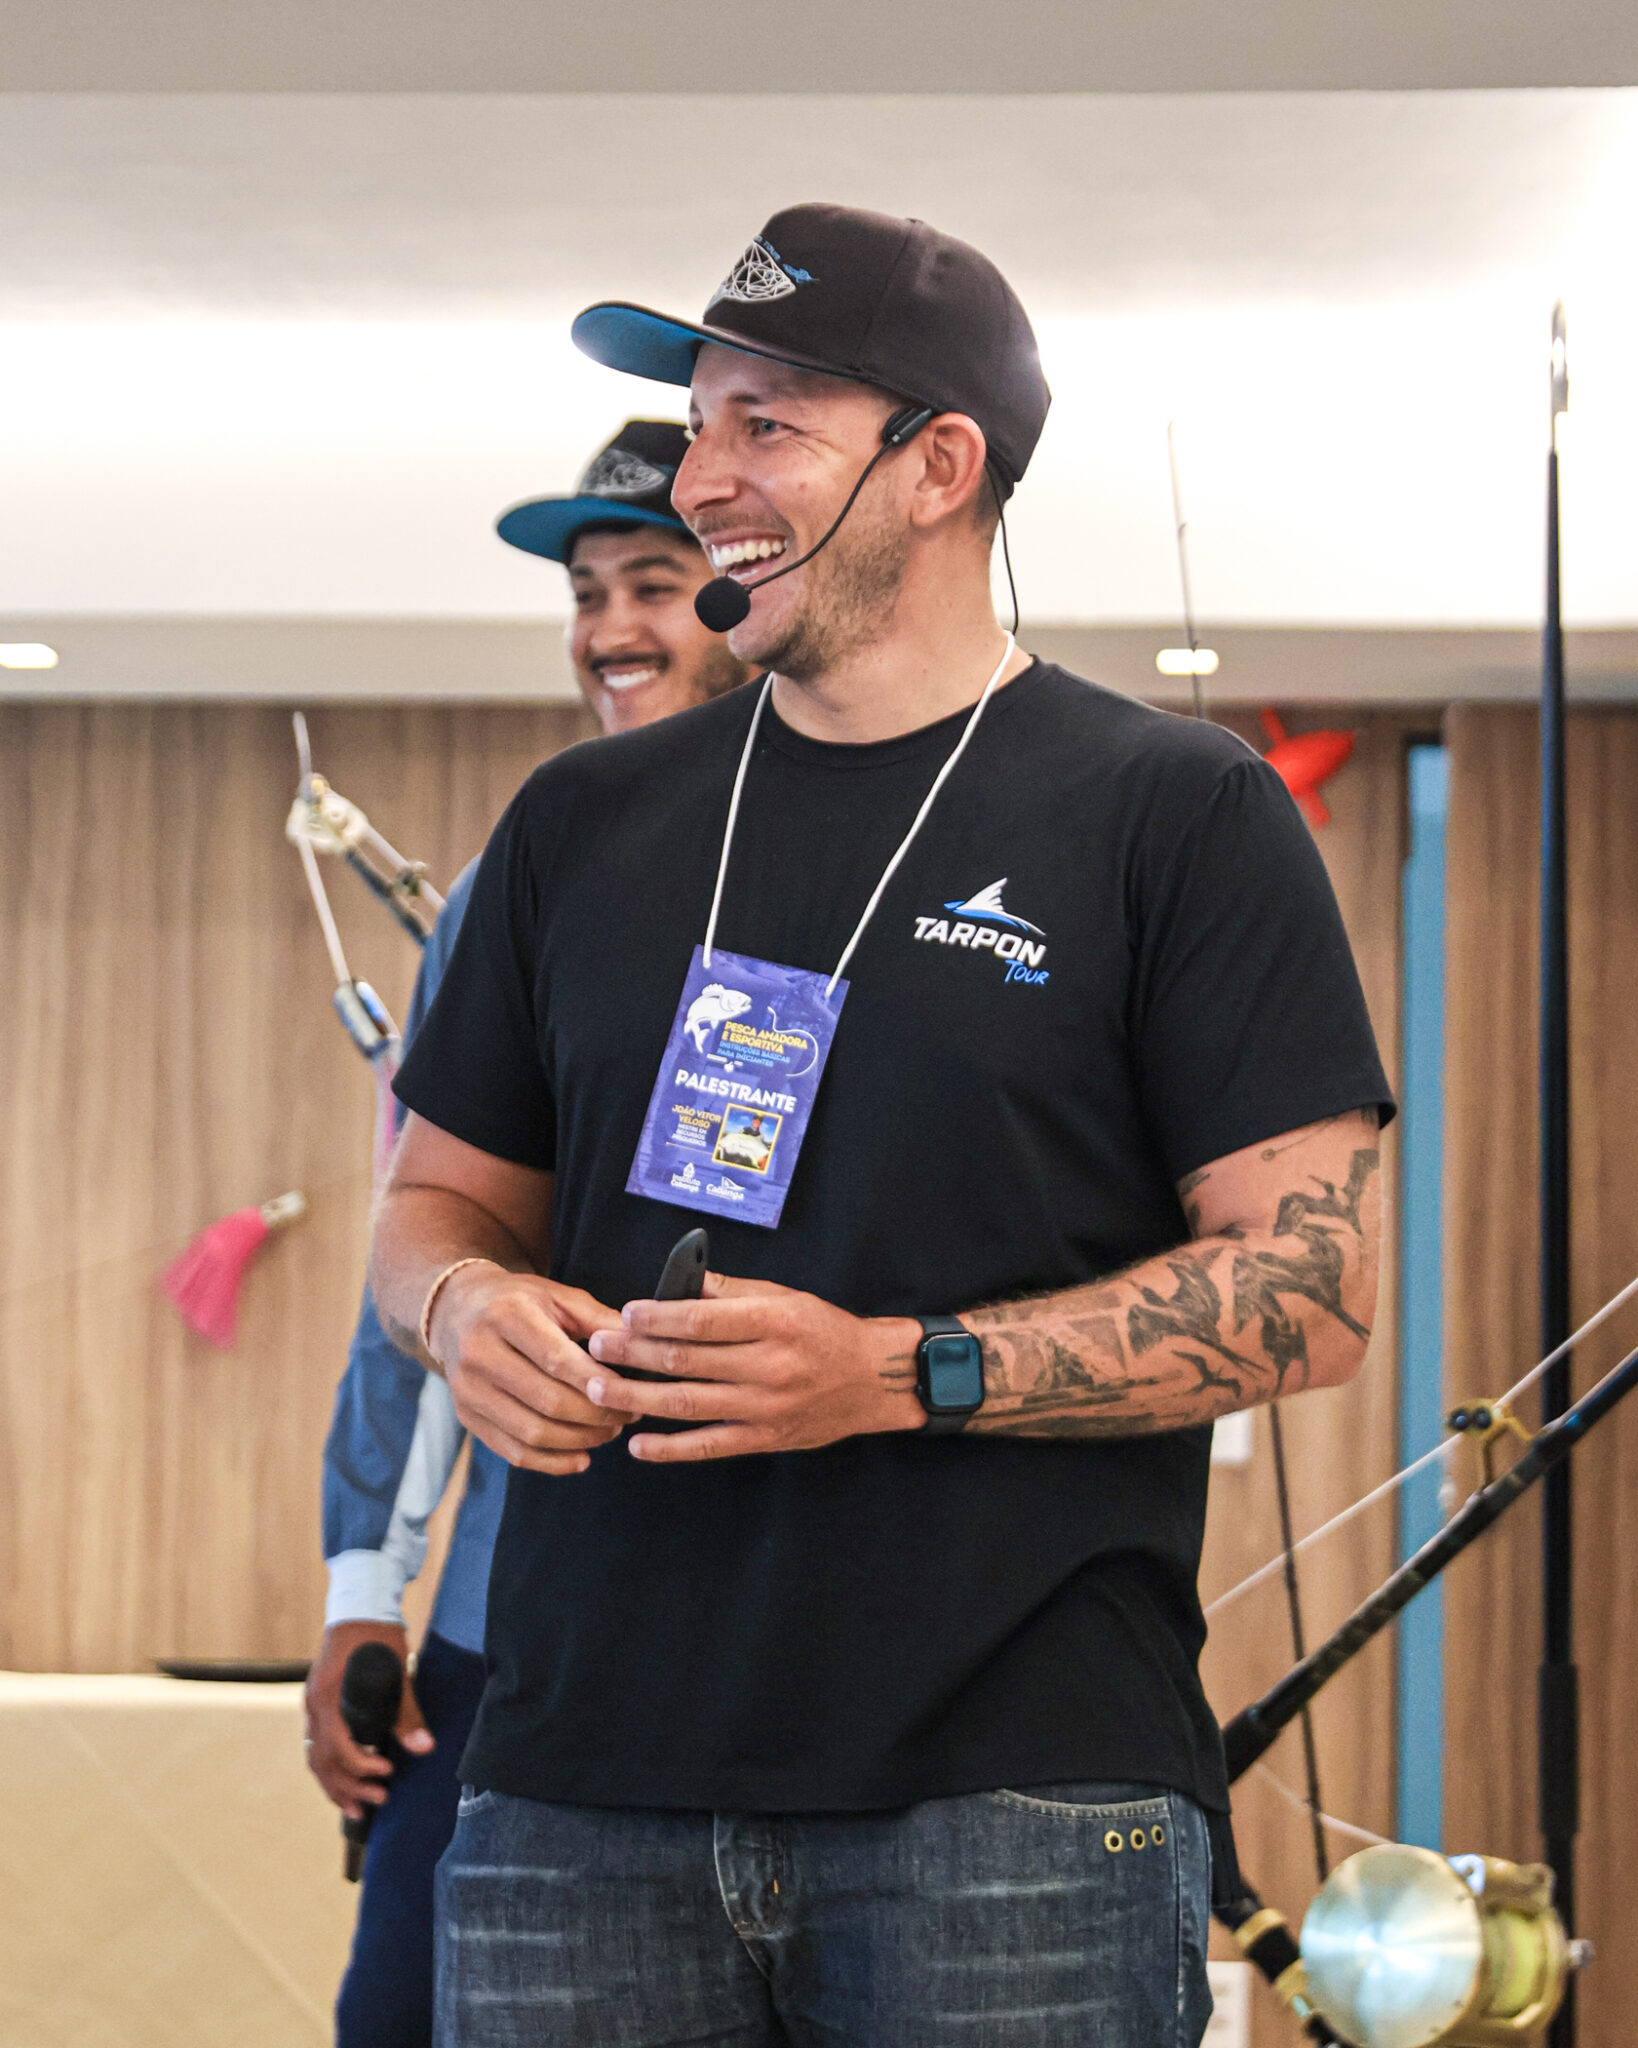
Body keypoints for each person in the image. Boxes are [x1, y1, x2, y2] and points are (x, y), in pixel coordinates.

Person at [370, 204, 1393, 2048]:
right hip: (570, 1788)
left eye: (765, 425)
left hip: (1014, 1803)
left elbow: (1309, 1291)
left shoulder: (1178, 812)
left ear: (938, 466)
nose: (704, 480)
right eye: (701, 424)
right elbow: (431, 1203)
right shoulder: (577, 826)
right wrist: (461, 1308)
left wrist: (900, 1372)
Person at [305, 418, 749, 2048]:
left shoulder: (892, 853)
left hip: (807, 1644)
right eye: (587, 590)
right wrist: (366, 1588)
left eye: (654, 582)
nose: (611, 627)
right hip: (518, 1626)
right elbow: (428, 1251)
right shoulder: (523, 876)